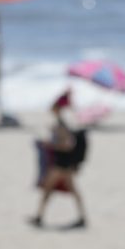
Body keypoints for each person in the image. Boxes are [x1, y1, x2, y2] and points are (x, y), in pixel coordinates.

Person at [29, 89, 87, 229]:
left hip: (61, 163)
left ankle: (39, 217)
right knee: (71, 191)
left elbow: (68, 144)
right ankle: (82, 218)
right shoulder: (63, 123)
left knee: (48, 189)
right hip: (64, 163)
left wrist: (50, 145)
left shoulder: (62, 125)